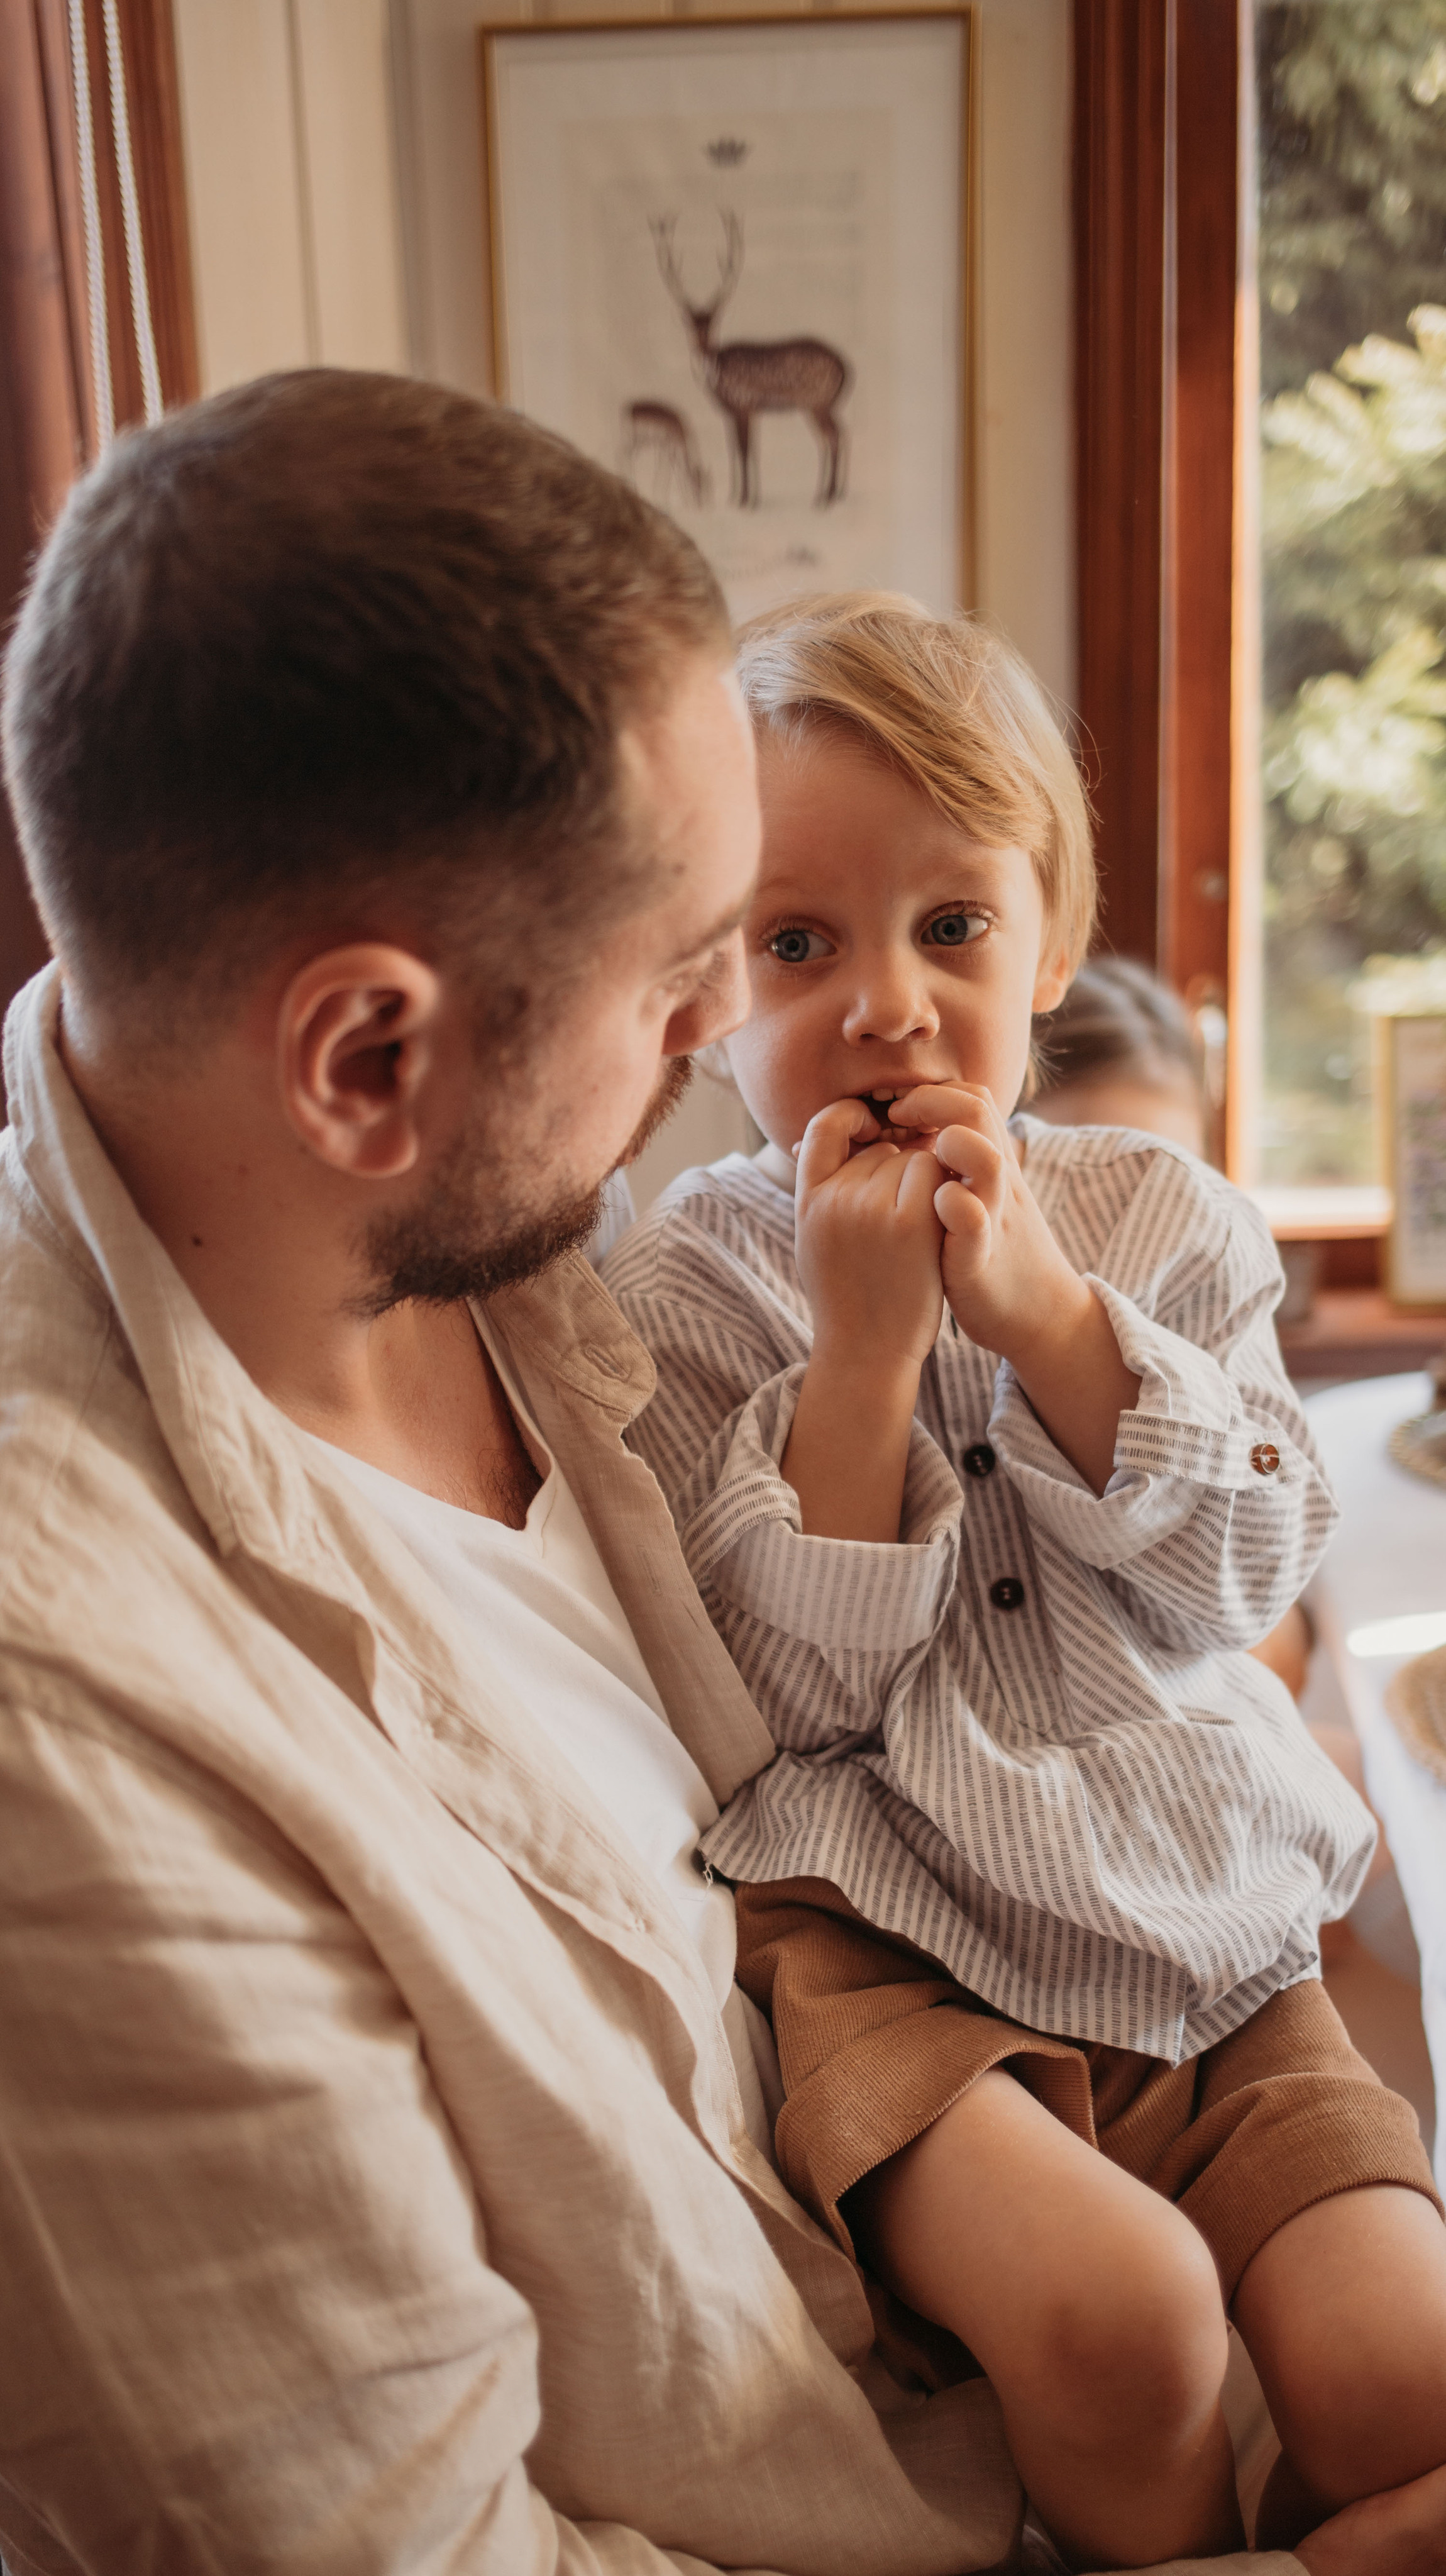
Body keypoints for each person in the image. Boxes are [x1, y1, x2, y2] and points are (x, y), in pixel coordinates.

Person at [1, 371, 1332, 2576]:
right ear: (366, 1058)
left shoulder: (496, 1237)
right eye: (693, 968)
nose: (787, 1028)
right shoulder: (71, 1749)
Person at [601, 592, 1446, 2575]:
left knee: (1398, 2362)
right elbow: (773, 1705)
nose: (885, 1006)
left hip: (1206, 1927)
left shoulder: (1161, 1215)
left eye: (951, 928)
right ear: (696, 988)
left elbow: (1241, 1568)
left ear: (1049, 942)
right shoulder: (677, 1291)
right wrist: (866, 1353)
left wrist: (1054, 1321)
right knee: (1119, 2316)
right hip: (892, 1945)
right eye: (795, 944)